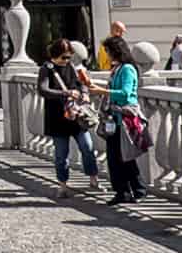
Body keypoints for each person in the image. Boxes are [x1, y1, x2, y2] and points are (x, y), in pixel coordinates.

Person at [37, 38, 101, 197]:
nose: (67, 60)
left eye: (69, 57)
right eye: (64, 57)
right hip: (58, 118)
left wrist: (85, 94)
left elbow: (82, 84)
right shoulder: (47, 69)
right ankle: (63, 185)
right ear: (55, 55)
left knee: (87, 147)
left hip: (76, 116)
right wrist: (66, 93)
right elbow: (43, 90)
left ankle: (94, 179)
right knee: (61, 155)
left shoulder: (71, 66)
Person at [90, 33, 146, 205]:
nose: (106, 54)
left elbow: (125, 93)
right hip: (114, 118)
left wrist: (102, 92)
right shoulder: (117, 69)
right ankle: (127, 191)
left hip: (124, 118)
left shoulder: (127, 69)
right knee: (117, 157)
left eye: (108, 51)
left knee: (123, 156)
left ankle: (134, 190)